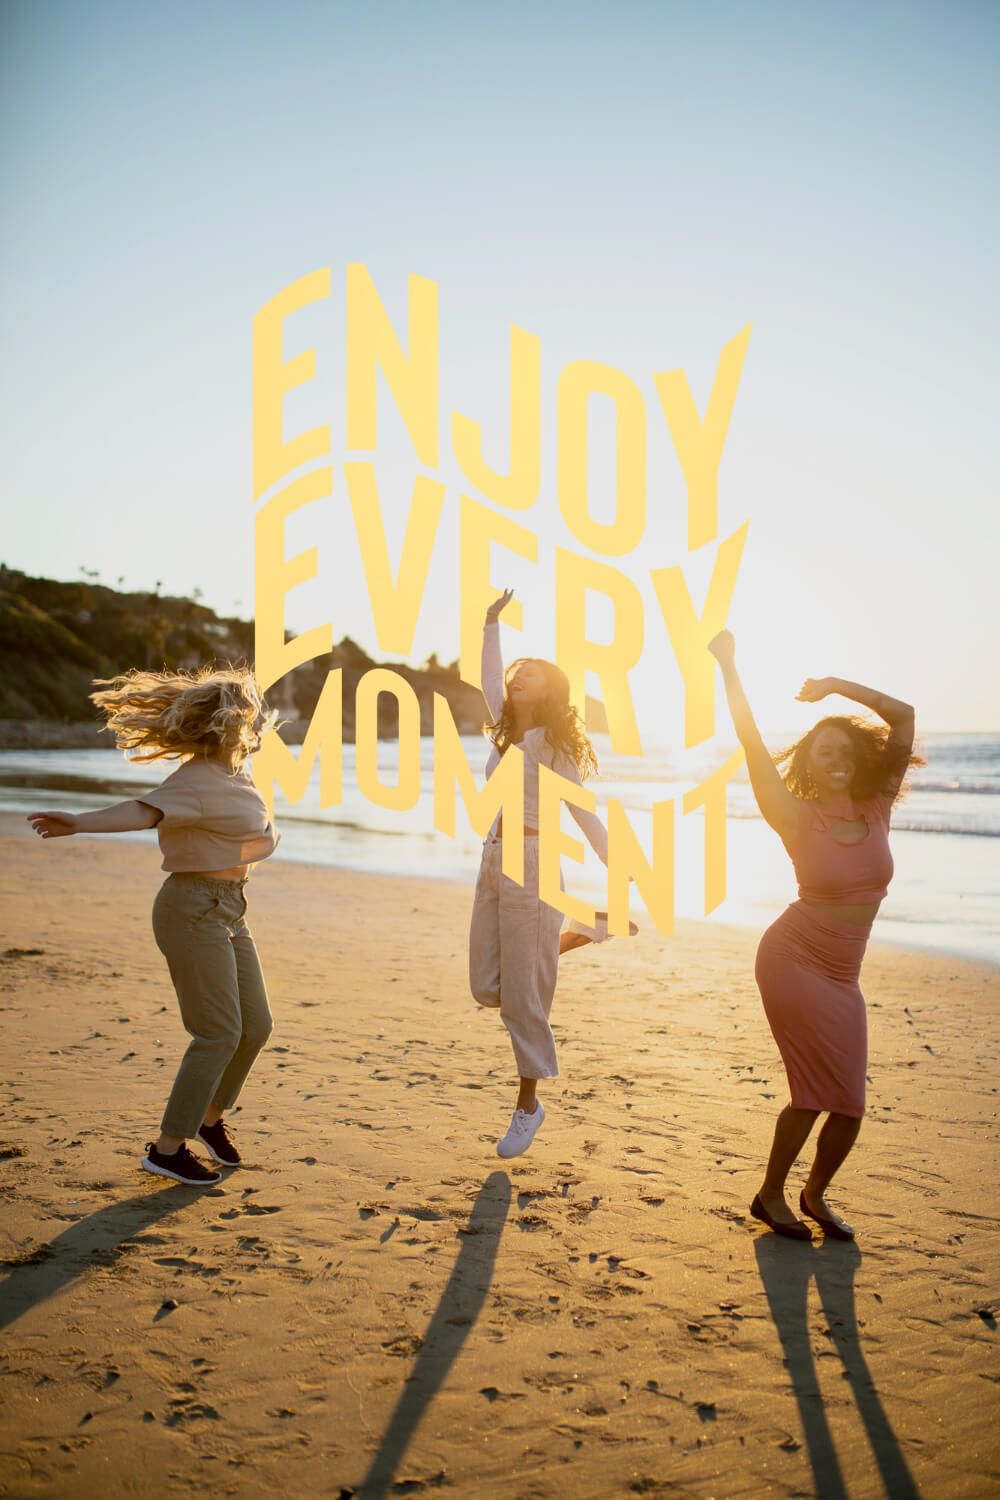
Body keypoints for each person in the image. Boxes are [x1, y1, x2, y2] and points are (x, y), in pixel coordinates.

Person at [28, 666, 279, 1187]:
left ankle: (209, 1118)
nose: (252, 727)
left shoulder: (237, 774)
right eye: (246, 719)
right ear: (230, 725)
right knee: (217, 1033)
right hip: (191, 910)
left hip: (231, 908)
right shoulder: (194, 781)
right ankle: (167, 1149)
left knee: (255, 1027)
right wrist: (79, 823)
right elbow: (141, 813)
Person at [708, 630, 919, 1240]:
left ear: (857, 756)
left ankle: (814, 1195)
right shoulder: (794, 816)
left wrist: (835, 688)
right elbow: (750, 741)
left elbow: (903, 716)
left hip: (842, 974)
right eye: (823, 750)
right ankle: (770, 1193)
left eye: (844, 747)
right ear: (808, 763)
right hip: (794, 958)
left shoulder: (877, 805)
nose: (836, 757)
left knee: (849, 1103)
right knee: (812, 1092)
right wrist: (729, 667)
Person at [469, 589, 619, 1159]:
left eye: (530, 674)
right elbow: (487, 677)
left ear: (552, 689)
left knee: (522, 1000)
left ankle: (528, 1104)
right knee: (487, 987)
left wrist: (618, 868)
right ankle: (582, 932)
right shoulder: (504, 730)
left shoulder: (556, 747)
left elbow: (584, 812)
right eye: (517, 671)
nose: (517, 678)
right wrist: (489, 624)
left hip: (533, 864)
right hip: (492, 858)